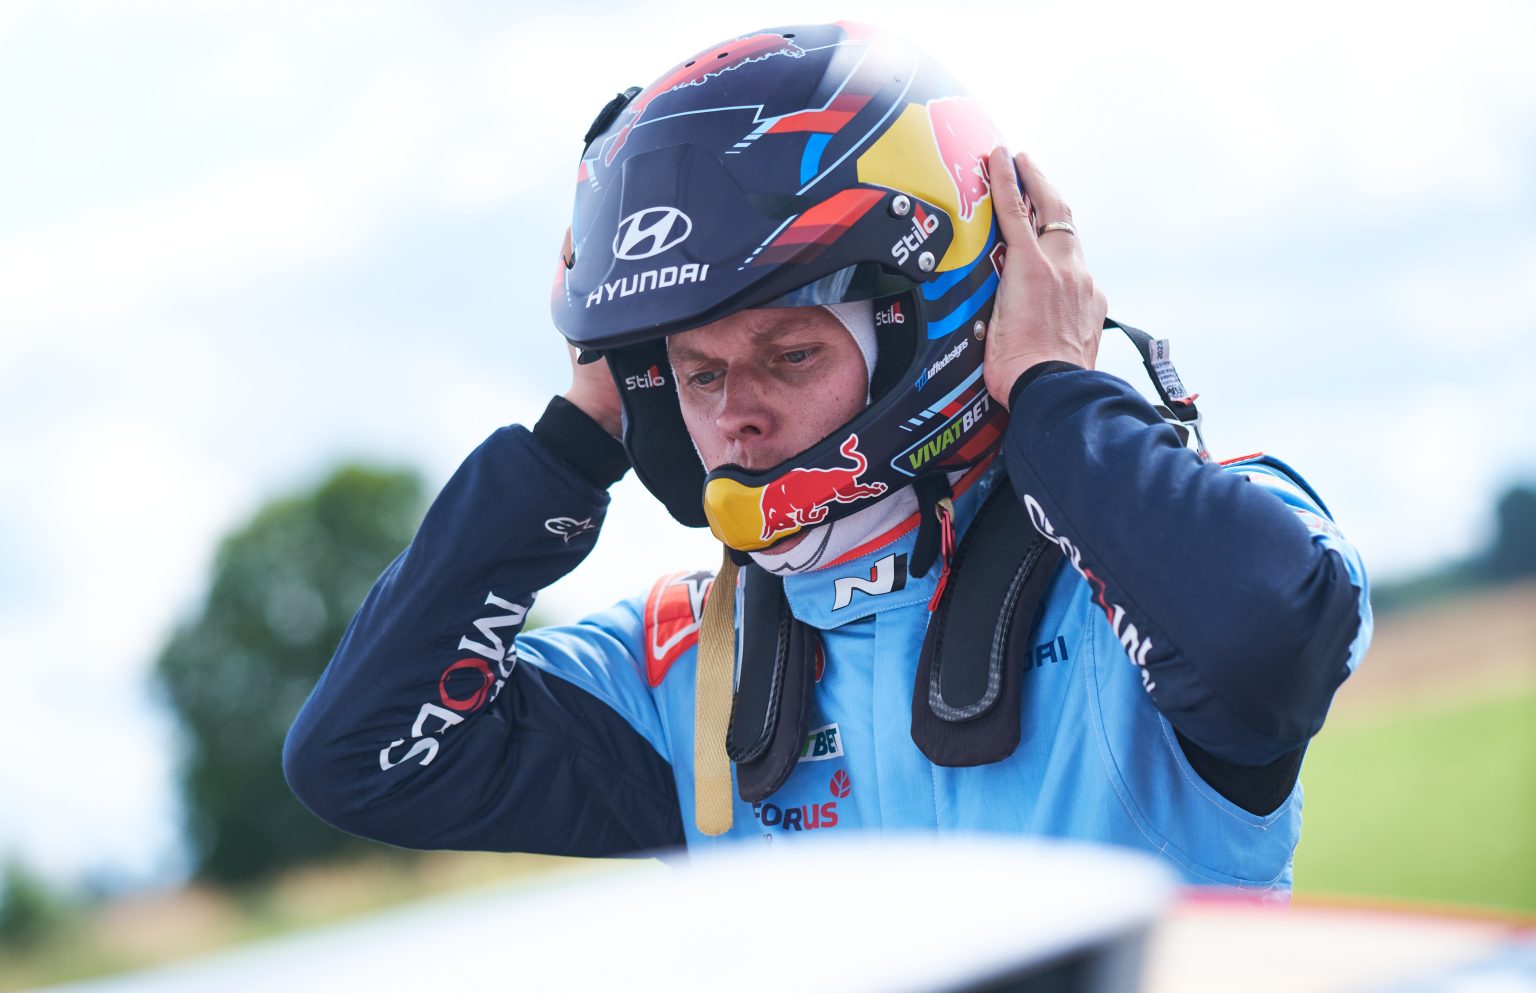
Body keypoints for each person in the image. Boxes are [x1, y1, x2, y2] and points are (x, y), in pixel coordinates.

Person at [284, 22, 1370, 896]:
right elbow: (361, 758)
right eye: (696, 375)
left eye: (790, 354)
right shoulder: (682, 672)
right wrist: (580, 430)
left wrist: (1052, 390)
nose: (736, 419)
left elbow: (1268, 639)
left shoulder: (1169, 556)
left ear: (946, 328)